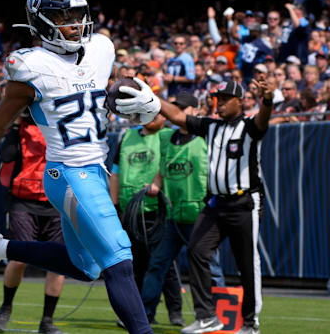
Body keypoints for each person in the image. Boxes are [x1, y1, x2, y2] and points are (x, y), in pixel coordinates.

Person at [0, 0, 157, 334]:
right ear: (42, 22)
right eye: (64, 16)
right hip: (68, 172)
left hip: (96, 168)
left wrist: (144, 102)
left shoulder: (101, 49)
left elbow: (110, 95)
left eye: (79, 14)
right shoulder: (30, 66)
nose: (75, 23)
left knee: (87, 267)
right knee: (119, 260)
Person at [115, 78, 274, 334]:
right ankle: (207, 315)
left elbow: (263, 120)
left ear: (240, 101)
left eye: (224, 100)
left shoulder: (249, 126)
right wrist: (153, 99)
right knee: (197, 251)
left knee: (247, 262)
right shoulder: (211, 127)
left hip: (244, 202)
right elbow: (178, 116)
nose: (219, 104)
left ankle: (250, 323)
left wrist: (267, 100)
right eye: (216, 99)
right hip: (216, 204)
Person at [140, 92, 224, 327]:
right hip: (173, 216)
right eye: (174, 107)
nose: (175, 113)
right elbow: (162, 169)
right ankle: (143, 316)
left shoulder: (207, 137)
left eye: (182, 108)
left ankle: (219, 317)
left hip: (201, 215)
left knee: (211, 268)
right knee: (157, 264)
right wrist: (156, 183)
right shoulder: (167, 138)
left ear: (195, 112)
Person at [0, 110, 66, 334]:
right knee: (19, 257)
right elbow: (6, 155)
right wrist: (14, 126)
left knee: (58, 262)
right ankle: (5, 307)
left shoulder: (62, 125)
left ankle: (47, 320)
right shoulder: (20, 126)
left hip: (55, 201)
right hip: (22, 199)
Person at [110, 113, 183, 326]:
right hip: (131, 212)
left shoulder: (170, 136)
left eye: (157, 113)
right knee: (136, 266)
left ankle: (175, 312)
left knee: (165, 265)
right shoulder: (127, 137)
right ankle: (138, 312)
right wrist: (115, 206)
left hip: (158, 212)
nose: (152, 118)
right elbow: (115, 173)